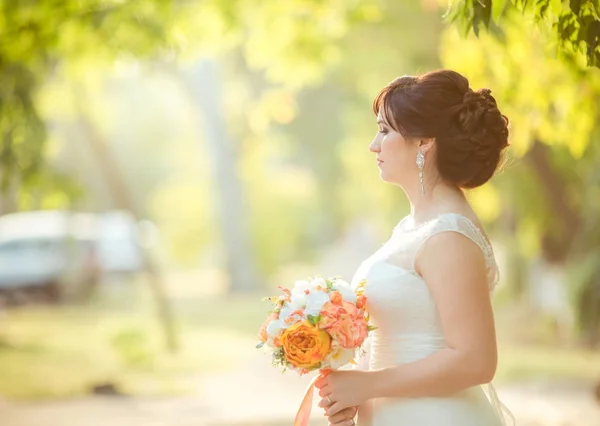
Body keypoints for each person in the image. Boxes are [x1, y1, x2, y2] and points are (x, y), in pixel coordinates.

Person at [314, 69, 513, 426]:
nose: (374, 145)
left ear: (424, 142)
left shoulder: (448, 234)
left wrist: (367, 386)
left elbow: (476, 359)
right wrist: (351, 393)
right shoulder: (412, 227)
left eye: (385, 130)